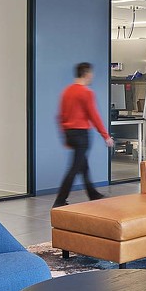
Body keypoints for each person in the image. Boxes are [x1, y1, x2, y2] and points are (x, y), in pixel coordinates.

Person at [54, 62, 114, 208]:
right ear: (86, 74)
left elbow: (60, 116)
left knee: (83, 165)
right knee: (75, 167)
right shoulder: (86, 92)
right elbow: (94, 116)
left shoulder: (66, 91)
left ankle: (92, 193)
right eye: (91, 73)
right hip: (81, 134)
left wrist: (66, 136)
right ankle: (60, 200)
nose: (92, 76)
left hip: (70, 133)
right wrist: (106, 136)